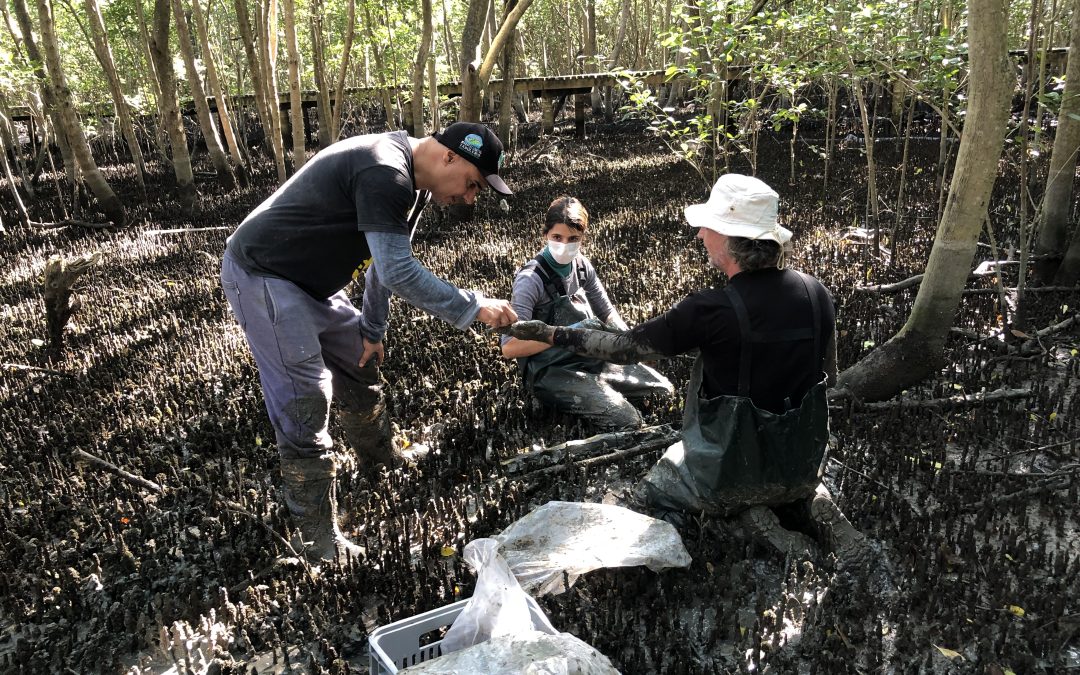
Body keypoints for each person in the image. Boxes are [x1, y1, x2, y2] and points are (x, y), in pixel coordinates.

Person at [503, 175, 865, 558]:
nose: (699, 237)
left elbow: (626, 348)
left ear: (727, 238)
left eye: (705, 228)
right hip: (801, 466)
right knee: (790, 484)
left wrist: (551, 334)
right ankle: (806, 504)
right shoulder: (818, 294)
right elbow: (831, 379)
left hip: (726, 472)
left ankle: (745, 516)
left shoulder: (709, 309)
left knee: (656, 483)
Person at [220, 122, 518, 563]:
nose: (469, 198)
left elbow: (384, 266)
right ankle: (319, 541)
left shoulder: (411, 185)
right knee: (306, 401)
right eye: (472, 185)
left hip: (315, 285)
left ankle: (380, 459)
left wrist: (373, 330)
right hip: (265, 275)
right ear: (449, 157)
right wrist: (472, 306)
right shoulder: (385, 171)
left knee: (361, 363)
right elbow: (399, 271)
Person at [500, 196, 673, 430]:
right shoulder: (530, 280)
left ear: (583, 238)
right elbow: (509, 347)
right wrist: (575, 331)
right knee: (628, 421)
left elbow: (607, 313)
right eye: (557, 237)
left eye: (573, 239)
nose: (564, 245)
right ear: (545, 235)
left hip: (591, 357)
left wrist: (633, 344)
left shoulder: (582, 265)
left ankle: (600, 386)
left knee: (665, 392)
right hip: (551, 372)